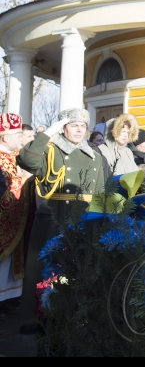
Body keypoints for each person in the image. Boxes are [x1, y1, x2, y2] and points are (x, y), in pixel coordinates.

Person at [17, 109, 106, 330]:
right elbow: (26, 159)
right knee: (43, 268)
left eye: (83, 126)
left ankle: (78, 316)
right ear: (63, 128)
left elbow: (102, 190)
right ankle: (37, 316)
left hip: (85, 216)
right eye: (73, 124)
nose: (79, 129)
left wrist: (106, 219)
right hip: (55, 215)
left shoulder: (95, 154)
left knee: (81, 266)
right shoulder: (50, 150)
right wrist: (48, 133)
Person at [0, 115, 33, 309]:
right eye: (17, 134)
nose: (21, 138)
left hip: (18, 218)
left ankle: (10, 297)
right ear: (5, 138)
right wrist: (24, 179)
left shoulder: (15, 156)